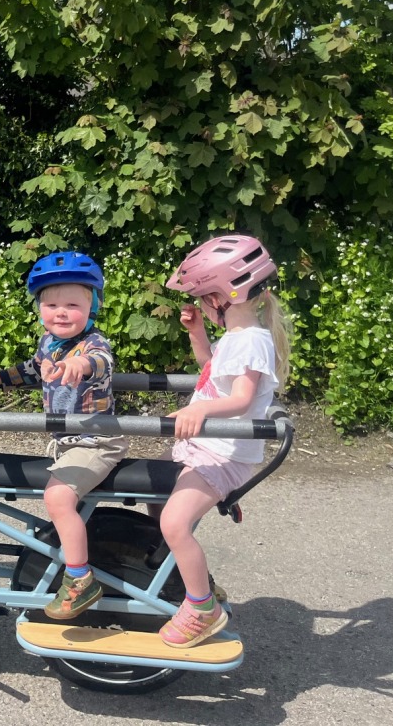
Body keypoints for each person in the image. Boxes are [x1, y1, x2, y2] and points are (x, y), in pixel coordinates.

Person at [0, 251, 124, 620]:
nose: (61, 312)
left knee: (56, 498)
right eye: (51, 304)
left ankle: (79, 579)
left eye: (72, 304)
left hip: (95, 442)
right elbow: (33, 369)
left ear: (92, 307)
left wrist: (79, 364)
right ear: (40, 308)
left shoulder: (93, 345)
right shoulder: (49, 344)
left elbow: (101, 363)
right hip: (67, 443)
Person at [158, 233, 292, 648]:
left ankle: (201, 607)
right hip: (206, 446)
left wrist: (197, 411)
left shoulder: (252, 339)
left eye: (201, 299)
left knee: (174, 523)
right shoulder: (238, 337)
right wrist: (199, 336)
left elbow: (240, 399)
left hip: (223, 453)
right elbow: (211, 376)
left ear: (220, 296)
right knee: (153, 500)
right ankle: (175, 580)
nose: (199, 304)